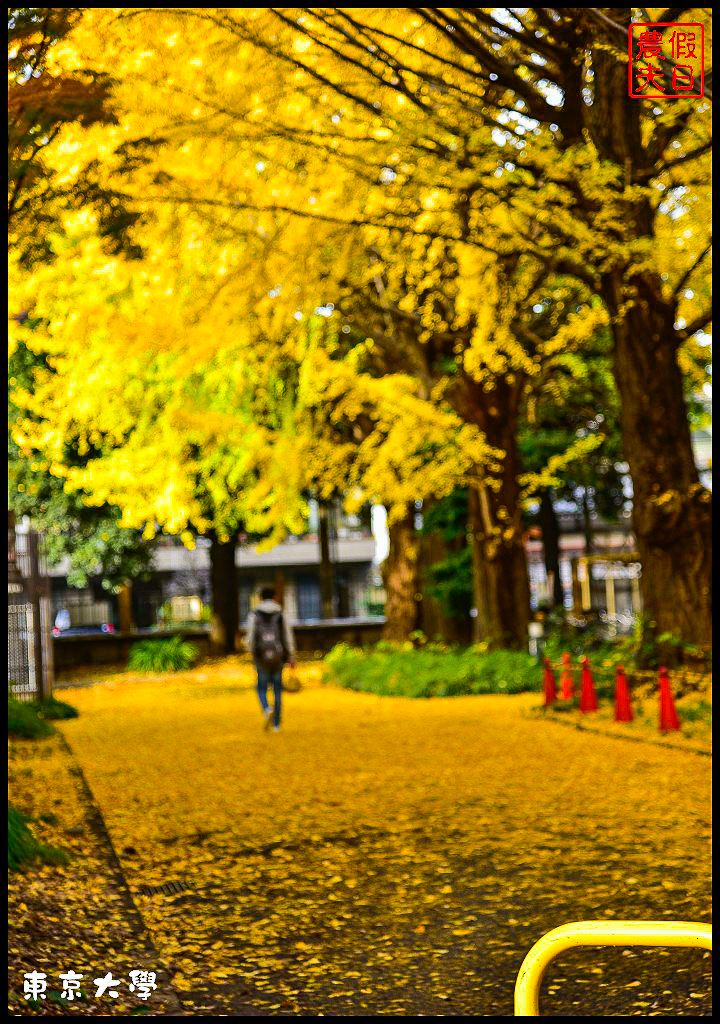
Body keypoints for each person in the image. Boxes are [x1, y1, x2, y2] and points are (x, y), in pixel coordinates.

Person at [244, 585, 296, 732]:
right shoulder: (281, 614)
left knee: (261, 687)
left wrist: (251, 652)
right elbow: (287, 636)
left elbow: (250, 638)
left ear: (260, 597)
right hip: (278, 656)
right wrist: (291, 656)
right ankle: (277, 724)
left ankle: (266, 708)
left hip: (261, 656)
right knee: (277, 688)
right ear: (275, 597)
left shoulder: (254, 615)